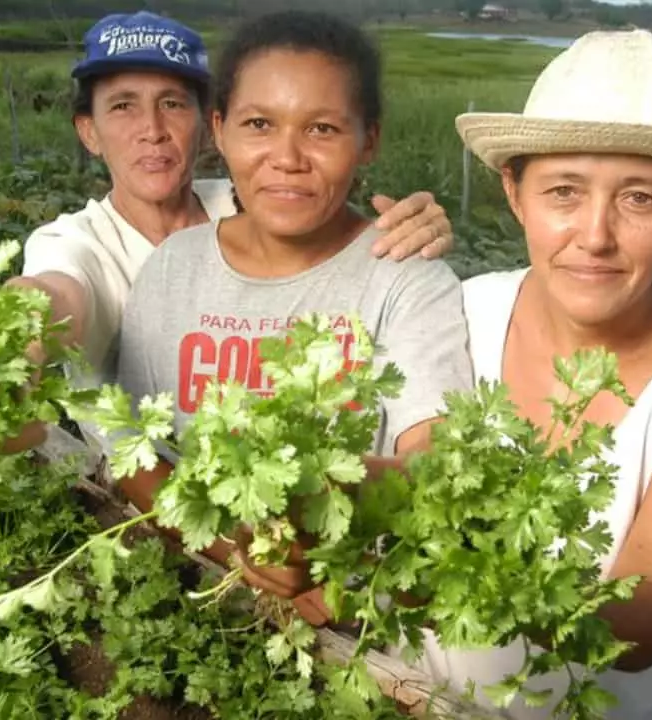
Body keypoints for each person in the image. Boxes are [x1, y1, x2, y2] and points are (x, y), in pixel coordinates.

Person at [410, 28, 652, 720]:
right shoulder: (456, 310)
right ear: (514, 189)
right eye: (562, 191)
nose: (594, 235)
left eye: (640, 199)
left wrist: (421, 575)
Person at [112, 10, 474, 607]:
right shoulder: (173, 266)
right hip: (199, 592)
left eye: (323, 129)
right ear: (220, 129)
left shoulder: (407, 279)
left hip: (346, 616)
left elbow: (432, 460)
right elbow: (133, 454)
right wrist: (236, 551)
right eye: (259, 123)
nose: (287, 157)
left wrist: (322, 512)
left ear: (369, 140)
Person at [0, 11, 456, 456]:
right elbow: (55, 294)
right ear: (89, 132)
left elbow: (318, 201)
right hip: (144, 493)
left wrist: (417, 224)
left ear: (206, 125)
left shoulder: (249, 200)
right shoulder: (78, 242)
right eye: (123, 106)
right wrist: (9, 334)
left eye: (172, 104)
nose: (152, 130)